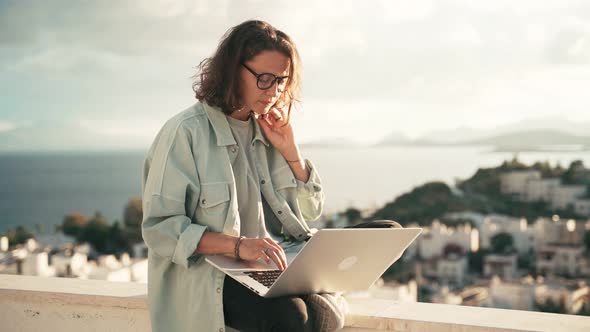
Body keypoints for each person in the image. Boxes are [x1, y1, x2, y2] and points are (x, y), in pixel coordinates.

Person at [141, 20, 401, 332]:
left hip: (281, 260)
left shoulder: (268, 128)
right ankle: (322, 295)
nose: (274, 91)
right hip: (219, 274)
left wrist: (290, 150)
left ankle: (315, 289)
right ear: (232, 70)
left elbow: (310, 211)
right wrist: (239, 246)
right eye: (264, 79)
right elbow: (160, 231)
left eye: (281, 80)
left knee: (386, 231)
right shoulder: (185, 132)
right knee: (296, 316)